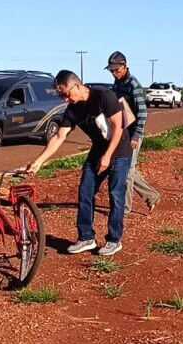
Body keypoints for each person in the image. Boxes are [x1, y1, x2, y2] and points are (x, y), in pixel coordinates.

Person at [26, 70, 132, 256]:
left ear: (77, 85)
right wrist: (39, 162)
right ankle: (86, 238)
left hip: (120, 150)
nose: (65, 99)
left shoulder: (103, 96)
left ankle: (114, 240)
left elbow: (119, 127)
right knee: (85, 190)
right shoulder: (73, 109)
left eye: (65, 94)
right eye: (61, 96)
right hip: (98, 149)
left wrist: (108, 156)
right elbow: (59, 136)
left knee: (116, 194)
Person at [106, 51, 161, 214]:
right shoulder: (117, 84)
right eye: (111, 70)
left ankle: (124, 208)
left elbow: (143, 112)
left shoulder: (133, 84)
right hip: (123, 132)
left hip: (134, 134)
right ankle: (152, 196)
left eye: (116, 70)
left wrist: (137, 135)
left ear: (125, 66)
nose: (114, 73)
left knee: (127, 171)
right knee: (129, 169)